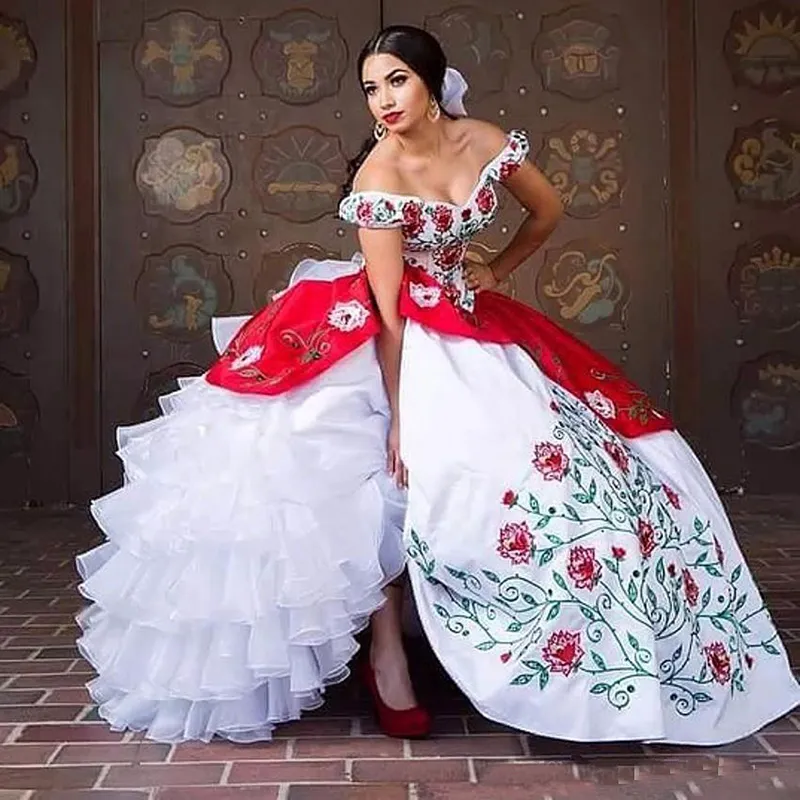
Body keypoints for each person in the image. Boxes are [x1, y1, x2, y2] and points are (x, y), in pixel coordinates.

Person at [76, 24, 799, 745]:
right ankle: (389, 653)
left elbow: (547, 212)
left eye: (396, 81)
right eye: (370, 88)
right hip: (396, 334)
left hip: (471, 316)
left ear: (432, 82)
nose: (382, 101)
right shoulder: (379, 178)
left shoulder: (483, 140)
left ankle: (589, 651)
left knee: (592, 471)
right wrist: (398, 418)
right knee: (367, 466)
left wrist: (496, 269)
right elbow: (390, 315)